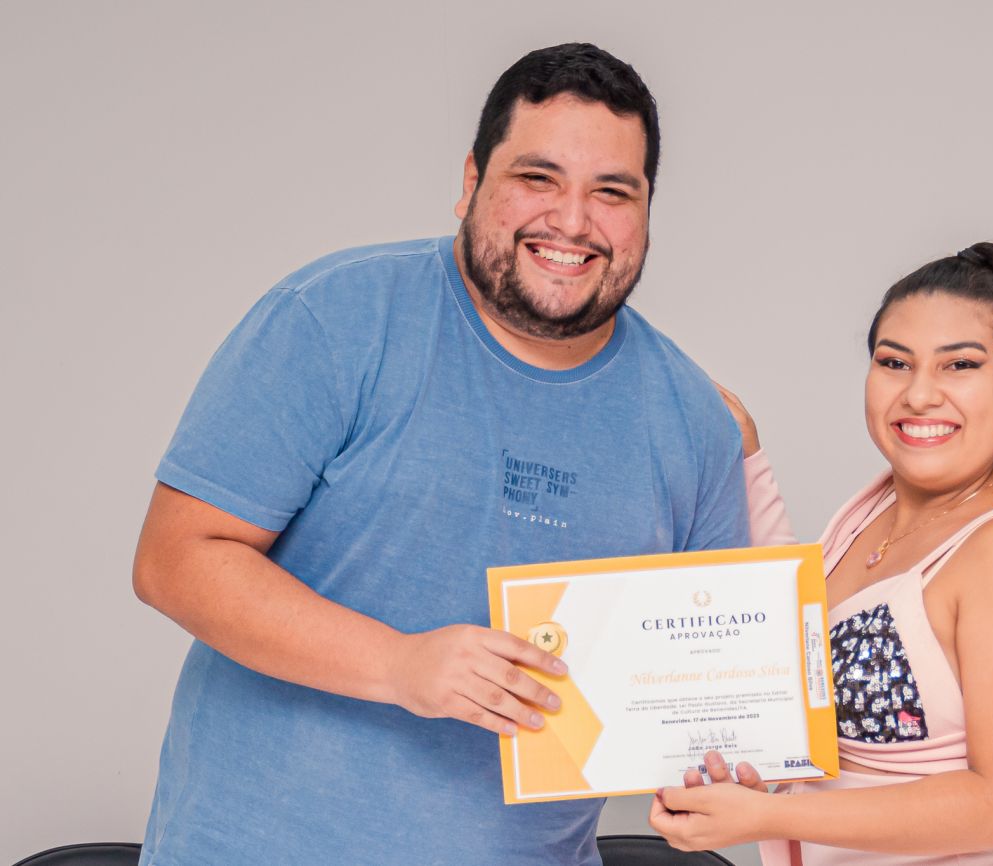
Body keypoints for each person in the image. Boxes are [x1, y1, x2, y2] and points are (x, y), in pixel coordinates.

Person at [131, 43, 750, 865]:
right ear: (471, 181)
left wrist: (718, 774)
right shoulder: (336, 320)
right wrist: (399, 665)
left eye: (612, 192)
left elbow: (711, 697)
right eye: (538, 178)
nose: (573, 222)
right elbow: (174, 561)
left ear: (646, 211)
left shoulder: (695, 423)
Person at [653, 243, 993, 866]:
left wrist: (768, 815)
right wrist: (746, 457)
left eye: (959, 365)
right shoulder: (873, 513)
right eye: (895, 362)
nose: (919, 394)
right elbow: (793, 627)